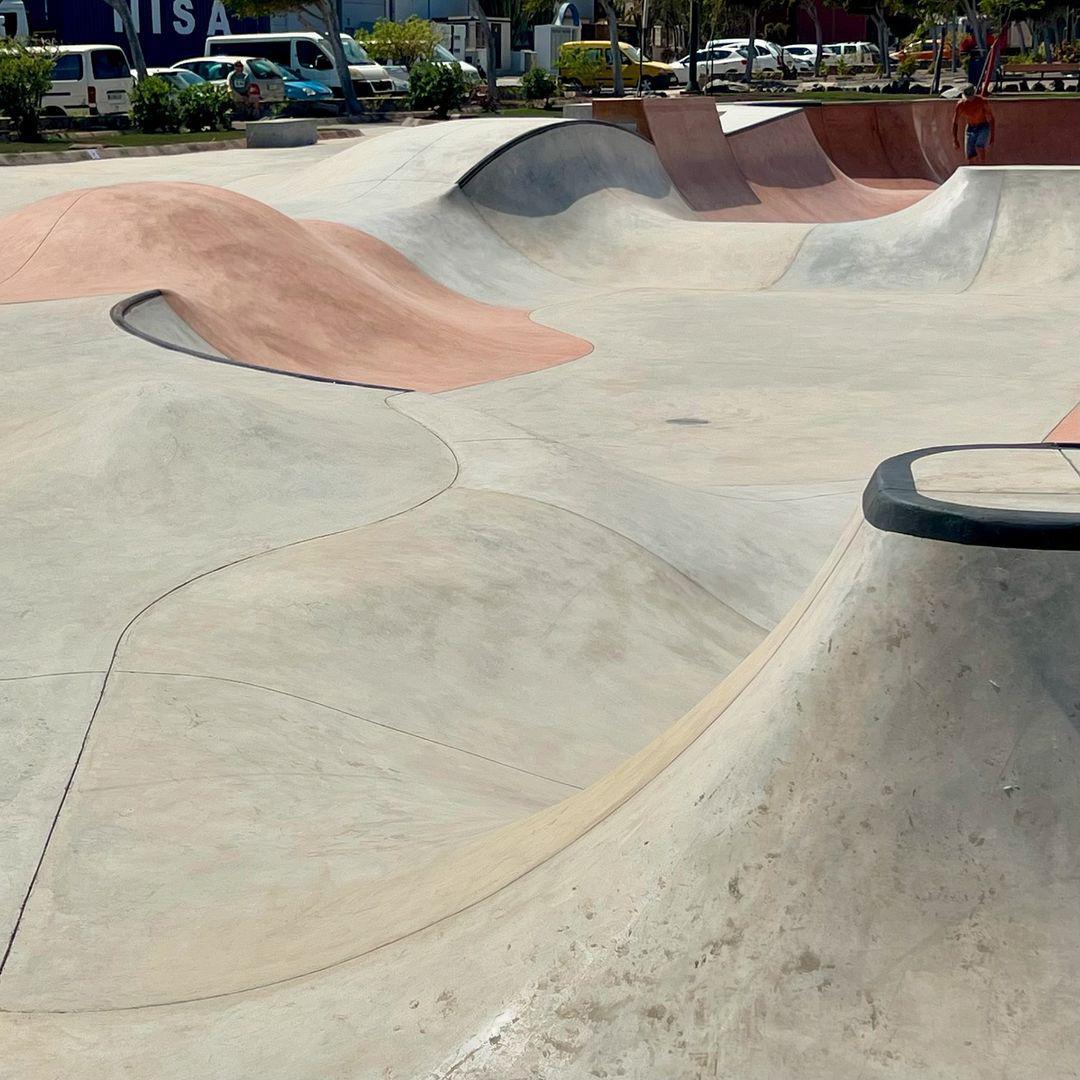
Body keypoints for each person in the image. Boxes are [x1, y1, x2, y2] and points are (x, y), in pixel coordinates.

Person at [952, 84, 995, 164]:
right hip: (970, 128)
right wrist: (955, 139)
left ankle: (983, 166)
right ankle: (973, 169)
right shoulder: (961, 105)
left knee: (979, 146)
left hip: (982, 126)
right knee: (970, 154)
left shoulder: (982, 102)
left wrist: (992, 137)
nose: (969, 100)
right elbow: (955, 122)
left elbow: (991, 119)